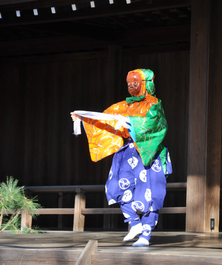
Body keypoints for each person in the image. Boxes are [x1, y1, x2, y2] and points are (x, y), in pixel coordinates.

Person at [71, 69, 172, 247]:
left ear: (145, 84)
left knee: (149, 193)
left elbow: (156, 124)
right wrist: (82, 117)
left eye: (135, 83)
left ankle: (145, 235)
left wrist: (130, 123)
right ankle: (134, 223)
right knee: (116, 186)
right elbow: (102, 119)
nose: (131, 86)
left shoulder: (154, 104)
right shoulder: (122, 106)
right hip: (126, 153)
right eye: (128, 84)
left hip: (148, 153)